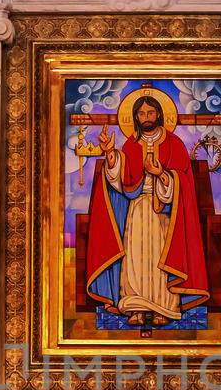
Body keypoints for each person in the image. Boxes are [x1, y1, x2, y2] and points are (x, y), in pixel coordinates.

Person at [85, 88, 209, 328]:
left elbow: (183, 180)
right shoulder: (130, 145)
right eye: (141, 113)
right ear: (136, 117)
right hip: (138, 209)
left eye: (150, 112)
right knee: (136, 260)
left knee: (161, 262)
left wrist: (161, 173)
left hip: (165, 215)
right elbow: (119, 182)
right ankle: (136, 308)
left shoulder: (175, 144)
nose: (146, 117)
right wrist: (110, 152)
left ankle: (164, 308)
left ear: (159, 115)